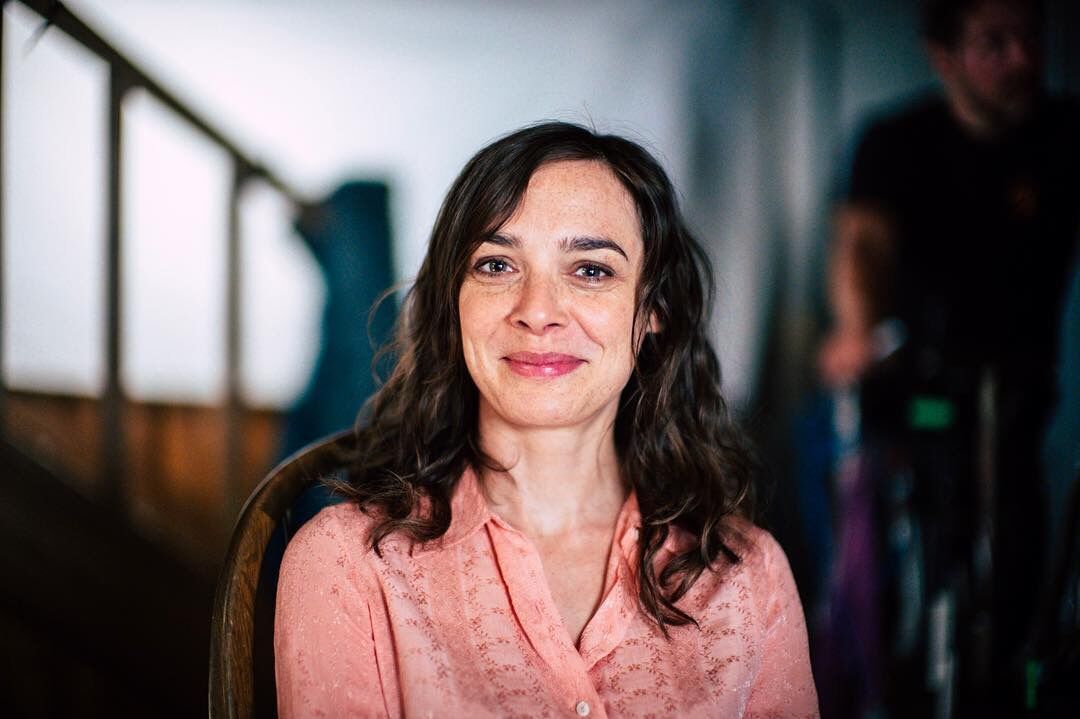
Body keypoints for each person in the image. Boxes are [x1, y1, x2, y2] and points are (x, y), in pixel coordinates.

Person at [274, 122, 819, 717]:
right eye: (496, 265)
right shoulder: (347, 563)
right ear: (453, 301)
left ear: (653, 309)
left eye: (591, 270)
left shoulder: (749, 575)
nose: (537, 312)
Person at [844, 0, 1080, 712]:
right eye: (994, 43)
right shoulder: (896, 142)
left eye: (1031, 38)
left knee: (1018, 569)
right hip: (917, 384)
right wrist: (858, 328)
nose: (1022, 60)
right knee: (904, 549)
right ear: (944, 56)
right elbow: (862, 246)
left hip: (1019, 392)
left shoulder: (1065, 134)